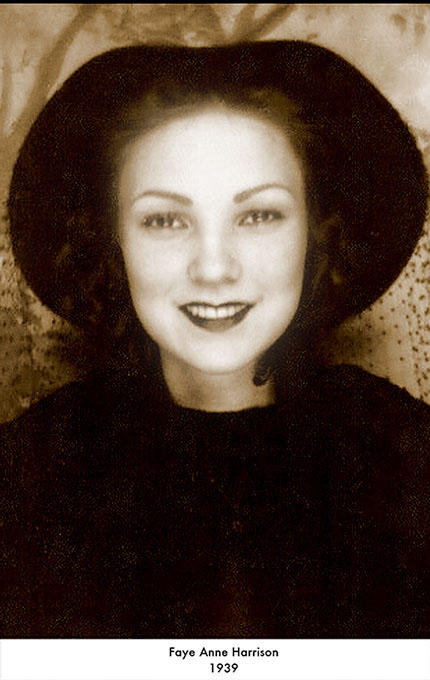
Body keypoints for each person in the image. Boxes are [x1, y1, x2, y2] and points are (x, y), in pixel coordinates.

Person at [1, 40, 430, 638]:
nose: (213, 268)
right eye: (164, 220)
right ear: (111, 240)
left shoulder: (408, 459)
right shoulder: (27, 476)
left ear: (316, 232)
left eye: (259, 215)